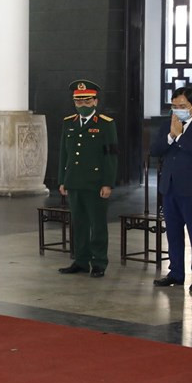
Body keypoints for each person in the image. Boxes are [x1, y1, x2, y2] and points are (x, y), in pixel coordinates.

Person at [150, 87, 192, 292]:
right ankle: (176, 272)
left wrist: (178, 136)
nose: (178, 110)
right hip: (169, 187)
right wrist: (170, 135)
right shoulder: (166, 125)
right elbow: (155, 150)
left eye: (182, 107)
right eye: (174, 107)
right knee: (173, 233)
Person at [57, 80, 117, 279]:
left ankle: (99, 262)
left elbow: (111, 156)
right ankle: (81, 261)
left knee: (97, 224)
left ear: (95, 102)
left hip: (95, 183)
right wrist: (62, 180)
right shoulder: (69, 122)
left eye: (86, 101)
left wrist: (108, 183)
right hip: (74, 181)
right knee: (78, 223)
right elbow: (63, 155)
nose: (82, 105)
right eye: (78, 101)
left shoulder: (106, 124)